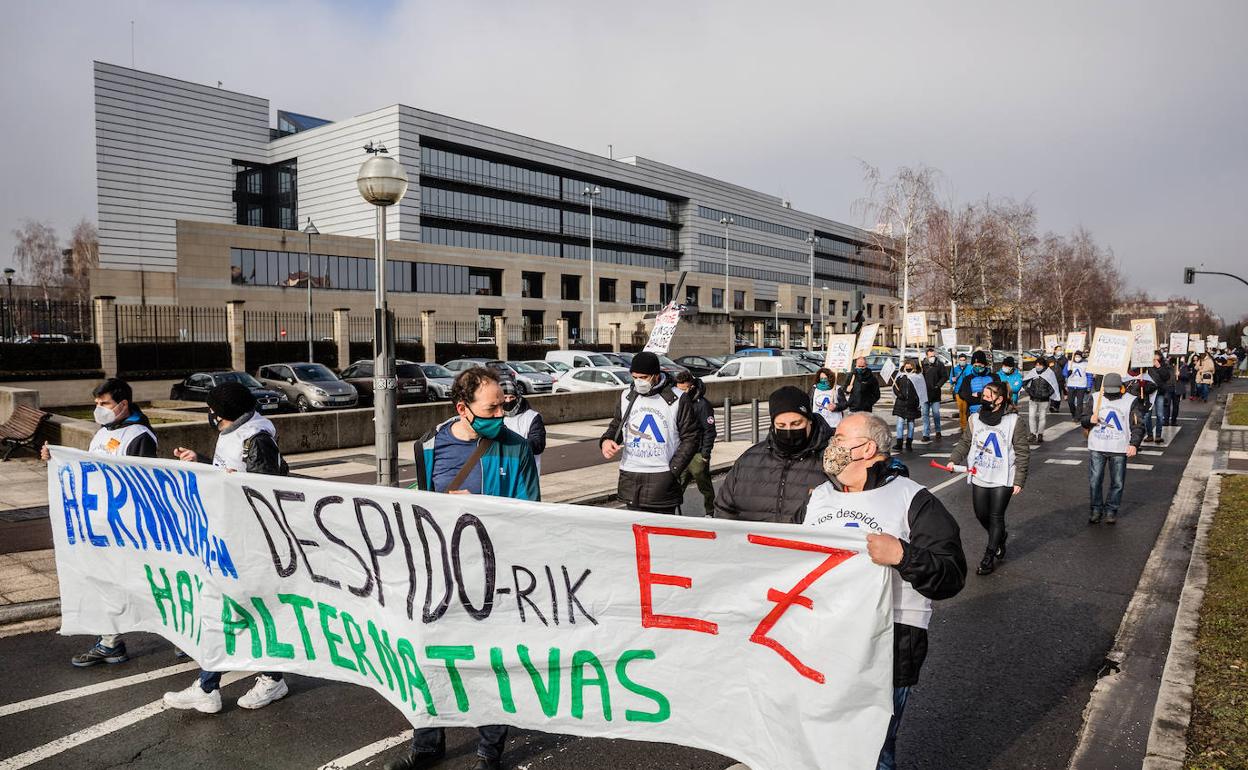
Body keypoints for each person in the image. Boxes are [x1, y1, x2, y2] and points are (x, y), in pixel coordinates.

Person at [393, 367, 539, 770]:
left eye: (503, 405)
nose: (501, 414)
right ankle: (427, 744)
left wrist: (480, 508)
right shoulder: (428, 446)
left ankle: (489, 752)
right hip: (438, 576)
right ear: (462, 408)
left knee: (490, 667)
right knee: (429, 661)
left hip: (492, 580)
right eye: (491, 407)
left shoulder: (516, 448)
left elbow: (532, 515)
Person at [804, 412, 966, 770]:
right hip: (825, 635)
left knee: (873, 746)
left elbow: (951, 575)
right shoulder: (820, 497)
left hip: (890, 640)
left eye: (840, 439)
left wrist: (903, 556)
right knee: (822, 734)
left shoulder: (913, 500)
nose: (831, 445)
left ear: (866, 448)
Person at [163, 382, 290, 713]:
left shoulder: (256, 440)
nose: (212, 418)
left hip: (250, 545)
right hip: (231, 538)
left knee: (242, 612)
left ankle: (260, 681)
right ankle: (219, 684)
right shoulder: (238, 432)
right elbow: (230, 472)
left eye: (213, 412)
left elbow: (265, 492)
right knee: (236, 612)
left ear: (220, 413)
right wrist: (202, 460)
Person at [40, 378, 157, 668]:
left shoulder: (139, 435)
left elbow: (142, 483)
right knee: (107, 584)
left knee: (145, 585)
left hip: (128, 527)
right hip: (103, 524)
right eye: (97, 404)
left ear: (123, 404)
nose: (98, 409)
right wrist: (56, 458)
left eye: (104, 404)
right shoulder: (104, 432)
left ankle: (185, 637)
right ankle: (110, 642)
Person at [714, 385, 832, 523]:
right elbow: (723, 509)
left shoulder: (831, 459)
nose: (789, 431)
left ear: (809, 420)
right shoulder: (748, 460)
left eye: (796, 423)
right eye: (781, 426)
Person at [600, 351, 698, 514]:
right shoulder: (627, 396)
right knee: (636, 533)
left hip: (662, 477)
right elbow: (617, 425)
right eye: (635, 377)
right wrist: (606, 441)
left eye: (644, 377)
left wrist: (673, 470)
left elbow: (691, 438)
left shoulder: (678, 398)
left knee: (661, 533)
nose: (639, 382)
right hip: (630, 476)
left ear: (656, 375)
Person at [949, 382, 1030, 575]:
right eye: (982, 396)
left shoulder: (1013, 421)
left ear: (999, 399)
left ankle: (989, 555)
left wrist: (1019, 479)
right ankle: (1000, 536)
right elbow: (966, 441)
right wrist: (954, 459)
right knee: (980, 514)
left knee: (996, 516)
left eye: (987, 397)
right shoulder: (975, 418)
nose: (982, 399)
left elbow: (1022, 452)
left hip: (1003, 477)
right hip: (980, 474)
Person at [1081, 372, 1145, 525]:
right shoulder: (1095, 398)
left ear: (1121, 388)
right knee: (1095, 481)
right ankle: (1096, 509)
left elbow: (1137, 425)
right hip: (1097, 446)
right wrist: (1090, 419)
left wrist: (1134, 444)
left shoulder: (1130, 400)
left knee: (1117, 482)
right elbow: (1083, 419)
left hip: (1119, 448)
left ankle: (1111, 510)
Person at [673, 370, 717, 514]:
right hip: (682, 452)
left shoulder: (702, 405)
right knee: (676, 486)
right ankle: (671, 512)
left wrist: (705, 454)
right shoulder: (677, 402)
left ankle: (710, 512)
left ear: (691, 386)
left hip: (697, 453)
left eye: (684, 390)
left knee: (704, 486)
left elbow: (710, 430)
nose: (681, 394)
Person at [501, 380, 546, 471]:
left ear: (518, 397)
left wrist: (512, 445)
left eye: (512, 397)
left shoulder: (532, 417)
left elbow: (538, 445)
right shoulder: (493, 417)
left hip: (526, 472)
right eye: (505, 397)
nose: (508, 401)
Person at [1023, 357, 1061, 443]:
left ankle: (1040, 434)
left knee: (1042, 417)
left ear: (1044, 365)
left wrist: (1047, 394)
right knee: (1031, 416)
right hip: (1033, 399)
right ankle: (1032, 433)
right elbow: (1024, 382)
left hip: (1044, 400)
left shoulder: (1049, 373)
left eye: (1040, 365)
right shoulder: (1033, 372)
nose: (1038, 366)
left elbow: (1054, 385)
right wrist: (1029, 391)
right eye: (1036, 364)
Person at [957, 350, 1000, 416]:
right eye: (975, 365)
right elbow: (967, 397)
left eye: (980, 365)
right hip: (974, 413)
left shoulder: (994, 377)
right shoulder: (967, 379)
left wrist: (979, 394)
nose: (977, 367)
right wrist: (987, 399)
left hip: (992, 412)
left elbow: (997, 394)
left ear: (985, 364)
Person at [891, 361, 922, 452]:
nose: (908, 367)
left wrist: (918, 401)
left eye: (910, 366)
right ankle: (899, 443)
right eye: (906, 365)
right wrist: (899, 394)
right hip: (901, 403)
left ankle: (909, 443)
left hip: (912, 404)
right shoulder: (901, 376)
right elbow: (895, 387)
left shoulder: (917, 377)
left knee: (911, 424)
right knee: (900, 424)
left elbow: (921, 391)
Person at [1144, 352, 1172, 443]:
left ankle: (1158, 435)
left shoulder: (1163, 365)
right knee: (1147, 415)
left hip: (1159, 392)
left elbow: (1166, 377)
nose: (1155, 357)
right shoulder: (1146, 365)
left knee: (1160, 415)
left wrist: (1158, 367)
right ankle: (1149, 435)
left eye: (1157, 355)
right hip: (1148, 393)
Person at [920, 348, 947, 441]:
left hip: (935, 393)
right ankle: (926, 434)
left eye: (933, 355)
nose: (932, 357)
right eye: (930, 356)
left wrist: (938, 385)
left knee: (936, 413)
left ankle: (938, 431)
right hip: (924, 394)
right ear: (927, 356)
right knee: (925, 414)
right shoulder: (922, 365)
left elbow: (944, 376)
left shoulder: (939, 365)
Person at [812, 367, 847, 434]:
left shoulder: (837, 389)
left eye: (825, 378)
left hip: (833, 424)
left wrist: (836, 406)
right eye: (821, 378)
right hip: (819, 424)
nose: (823, 380)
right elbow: (810, 403)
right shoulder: (814, 389)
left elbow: (844, 404)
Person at [1063, 350, 1092, 419]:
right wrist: (1068, 373)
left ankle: (1078, 416)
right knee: (1070, 402)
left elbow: (1089, 375)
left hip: (1081, 385)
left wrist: (1089, 386)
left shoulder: (1086, 364)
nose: (1077, 358)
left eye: (1079, 356)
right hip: (1071, 385)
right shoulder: (1069, 363)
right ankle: (1073, 413)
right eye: (1076, 356)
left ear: (1081, 357)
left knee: (1079, 402)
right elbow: (1064, 373)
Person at [949, 352, 972, 431]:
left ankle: (968, 426)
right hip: (958, 391)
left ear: (966, 360)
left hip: (967, 391)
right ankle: (963, 427)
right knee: (961, 410)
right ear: (958, 360)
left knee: (967, 410)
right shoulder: (954, 369)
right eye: (961, 360)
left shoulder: (970, 368)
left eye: (964, 360)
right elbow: (951, 381)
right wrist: (953, 380)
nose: (962, 361)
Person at [1167, 354, 1186, 425]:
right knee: (1167, 405)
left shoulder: (1182, 366)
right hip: (1168, 388)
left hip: (1177, 388)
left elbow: (1186, 377)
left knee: (1176, 406)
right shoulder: (1167, 365)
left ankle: (1173, 421)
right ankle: (1166, 420)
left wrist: (1179, 375)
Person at [1050, 347, 1069, 414]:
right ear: (1054, 350)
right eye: (1058, 350)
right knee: (1052, 392)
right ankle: (1052, 405)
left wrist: (1058, 361)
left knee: (1058, 393)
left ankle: (1056, 407)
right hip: (1051, 379)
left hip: (1060, 379)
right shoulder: (1050, 359)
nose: (1059, 351)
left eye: (1061, 350)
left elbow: (1066, 368)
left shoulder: (1064, 359)